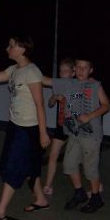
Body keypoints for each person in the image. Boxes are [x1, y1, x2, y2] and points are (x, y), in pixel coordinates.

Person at [0, 35, 51, 220]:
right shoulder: (14, 70)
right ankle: (41, 199)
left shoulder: (31, 71)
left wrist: (43, 132)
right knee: (29, 164)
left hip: (29, 129)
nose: (7, 48)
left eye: (11, 45)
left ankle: (1, 210)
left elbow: (39, 104)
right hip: (15, 125)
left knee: (14, 165)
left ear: (22, 49)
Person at [42, 57, 109, 212]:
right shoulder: (68, 84)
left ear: (91, 70)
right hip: (74, 133)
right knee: (69, 165)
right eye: (78, 67)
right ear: (74, 70)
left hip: (91, 135)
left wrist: (89, 116)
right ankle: (79, 193)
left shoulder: (95, 85)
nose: (81, 70)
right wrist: (27, 68)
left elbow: (106, 105)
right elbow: (45, 81)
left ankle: (96, 198)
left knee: (90, 169)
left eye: (84, 67)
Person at [43, 58, 75, 195]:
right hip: (61, 126)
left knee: (82, 159)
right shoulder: (58, 85)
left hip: (75, 128)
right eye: (61, 71)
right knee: (53, 155)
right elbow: (50, 104)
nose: (63, 74)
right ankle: (48, 185)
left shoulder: (77, 85)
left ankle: (97, 185)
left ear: (73, 73)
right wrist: (54, 98)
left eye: (66, 71)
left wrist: (65, 100)